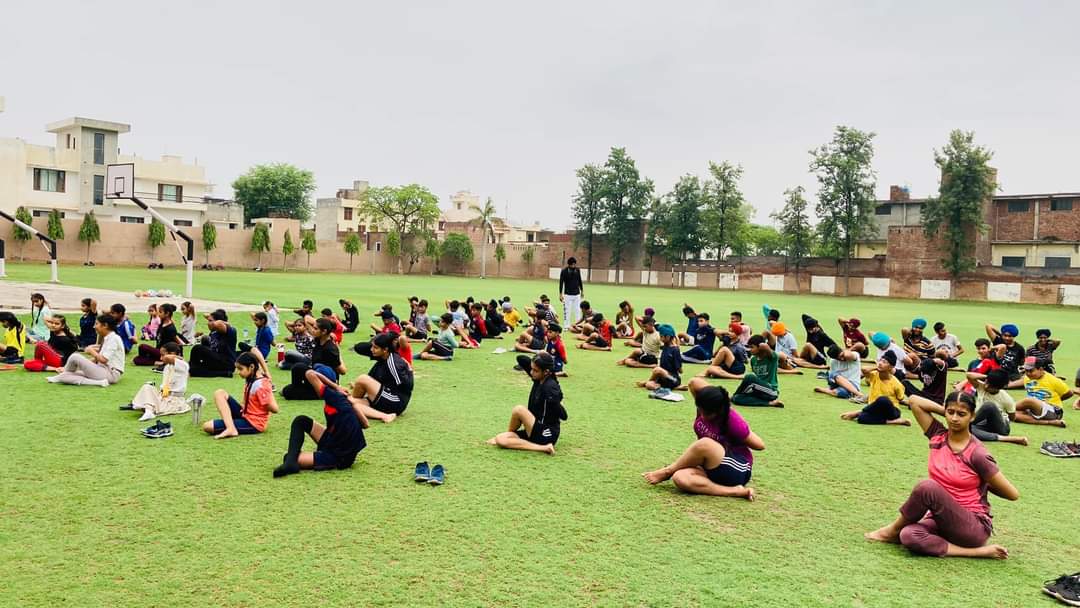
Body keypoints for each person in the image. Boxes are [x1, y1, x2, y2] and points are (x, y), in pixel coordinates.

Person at [865, 391, 1018, 559]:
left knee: (927, 488)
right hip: (941, 519)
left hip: (972, 526)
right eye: (950, 412)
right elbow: (914, 401)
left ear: (972, 416)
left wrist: (983, 482)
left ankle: (891, 531)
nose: (954, 419)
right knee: (908, 535)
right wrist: (947, 410)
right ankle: (977, 552)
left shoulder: (977, 454)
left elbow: (1012, 494)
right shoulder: (937, 436)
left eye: (962, 414)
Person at [642, 379, 760, 500]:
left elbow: (760, 445)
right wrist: (717, 396)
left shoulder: (732, 421)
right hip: (711, 466)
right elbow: (694, 382)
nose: (702, 416)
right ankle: (736, 491)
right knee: (680, 478)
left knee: (704, 444)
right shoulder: (705, 404)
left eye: (707, 414)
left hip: (737, 468)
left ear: (718, 411)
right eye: (700, 410)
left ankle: (667, 472)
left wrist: (740, 429)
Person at [273, 367, 369, 478]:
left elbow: (310, 373)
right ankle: (291, 462)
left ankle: (290, 463)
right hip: (335, 440)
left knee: (289, 457)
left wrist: (335, 386)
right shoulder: (344, 398)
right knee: (301, 421)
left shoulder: (332, 395)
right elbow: (365, 424)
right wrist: (353, 404)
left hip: (340, 456)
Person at [487, 352, 567, 455]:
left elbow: (564, 416)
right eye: (531, 369)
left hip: (546, 433)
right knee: (501, 439)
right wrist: (539, 357)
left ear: (546, 372)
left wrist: (554, 400)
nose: (531, 372)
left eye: (535, 370)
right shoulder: (538, 378)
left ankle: (544, 447)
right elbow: (521, 358)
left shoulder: (549, 387)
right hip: (534, 428)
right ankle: (542, 447)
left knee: (519, 410)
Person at [202, 351, 278, 439]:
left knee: (207, 426)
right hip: (244, 414)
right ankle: (231, 427)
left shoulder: (261, 385)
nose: (238, 372)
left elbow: (275, 409)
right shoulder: (251, 378)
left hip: (253, 423)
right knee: (219, 393)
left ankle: (231, 428)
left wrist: (268, 393)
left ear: (251, 367)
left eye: (241, 369)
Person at [348, 332, 413, 424]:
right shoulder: (382, 359)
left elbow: (408, 386)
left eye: (375, 348)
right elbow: (360, 348)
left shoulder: (393, 362)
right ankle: (385, 416)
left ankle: (384, 415)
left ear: (385, 350)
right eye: (372, 346)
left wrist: (409, 372)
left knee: (362, 379)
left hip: (396, 401)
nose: (371, 350)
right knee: (347, 403)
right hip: (384, 396)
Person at [47, 314, 124, 386]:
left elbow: (103, 360)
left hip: (110, 373)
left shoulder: (114, 338)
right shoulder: (107, 338)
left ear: (105, 325)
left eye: (96, 324)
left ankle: (64, 373)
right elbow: (96, 360)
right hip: (101, 370)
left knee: (75, 356)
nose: (94, 327)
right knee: (66, 377)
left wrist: (91, 350)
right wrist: (83, 363)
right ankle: (99, 382)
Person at [124, 342, 191, 422]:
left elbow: (167, 358)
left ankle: (148, 410)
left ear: (172, 354)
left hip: (174, 400)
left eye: (163, 355)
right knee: (147, 386)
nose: (161, 358)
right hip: (163, 396)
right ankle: (148, 410)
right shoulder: (167, 366)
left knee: (147, 401)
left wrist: (179, 357)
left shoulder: (183, 364)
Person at [960, 369, 1028, 446]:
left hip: (1001, 427)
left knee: (989, 406)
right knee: (967, 430)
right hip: (983, 424)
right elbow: (969, 375)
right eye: (986, 382)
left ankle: (967, 423)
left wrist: (997, 416)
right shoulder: (981, 387)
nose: (986, 386)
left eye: (990, 386)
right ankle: (1006, 439)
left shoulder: (1007, 398)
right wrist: (990, 377)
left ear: (999, 388)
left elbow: (1012, 418)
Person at [282, 318, 345, 400]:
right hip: (315, 377)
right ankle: (296, 388)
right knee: (298, 367)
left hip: (326, 383)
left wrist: (338, 352)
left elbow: (342, 371)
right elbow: (307, 319)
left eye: (315, 329)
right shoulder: (318, 341)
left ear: (324, 331)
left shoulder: (330, 349)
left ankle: (321, 393)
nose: (312, 330)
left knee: (288, 391)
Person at [840, 351, 909, 426]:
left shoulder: (896, 384)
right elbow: (863, 369)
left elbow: (900, 398)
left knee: (883, 399)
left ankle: (858, 412)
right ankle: (895, 422)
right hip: (874, 409)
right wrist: (877, 367)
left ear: (891, 367)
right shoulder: (874, 375)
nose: (880, 363)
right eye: (880, 361)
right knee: (861, 418)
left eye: (884, 362)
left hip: (892, 412)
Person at [1013, 357, 1071, 427]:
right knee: (1012, 415)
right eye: (1026, 371)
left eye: (1031, 371)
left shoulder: (1053, 380)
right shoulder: (1027, 378)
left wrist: (1055, 401)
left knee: (1029, 401)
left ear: (1040, 369)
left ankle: (1004, 408)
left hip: (1054, 410)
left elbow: (1069, 393)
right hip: (1035, 409)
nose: (1028, 373)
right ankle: (1050, 422)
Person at [731, 335, 783, 407]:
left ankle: (734, 395)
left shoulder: (771, 358)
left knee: (749, 377)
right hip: (758, 389)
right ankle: (769, 403)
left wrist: (762, 345)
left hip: (771, 391)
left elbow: (765, 346)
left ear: (760, 347)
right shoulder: (753, 360)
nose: (750, 349)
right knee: (737, 398)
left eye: (752, 347)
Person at [189, 309, 238, 378]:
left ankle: (193, 368)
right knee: (194, 370)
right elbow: (205, 315)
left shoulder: (230, 331)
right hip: (216, 361)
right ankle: (225, 374)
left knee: (197, 348)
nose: (208, 323)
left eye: (210, 321)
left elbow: (217, 324)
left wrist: (223, 322)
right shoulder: (213, 332)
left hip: (227, 363)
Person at [636, 324, 681, 392]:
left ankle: (673, 386)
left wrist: (665, 371)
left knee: (657, 370)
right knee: (649, 385)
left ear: (668, 337)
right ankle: (670, 387)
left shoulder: (675, 350)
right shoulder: (665, 347)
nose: (660, 338)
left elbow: (680, 370)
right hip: (663, 378)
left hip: (673, 379)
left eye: (661, 336)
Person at [559, 257, 584, 327]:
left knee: (577, 310)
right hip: (567, 294)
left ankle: (578, 325)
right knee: (567, 310)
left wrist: (582, 291)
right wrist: (560, 294)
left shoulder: (577, 270)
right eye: (572, 264)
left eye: (574, 264)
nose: (574, 266)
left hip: (577, 294)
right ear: (569, 264)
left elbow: (580, 280)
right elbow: (561, 283)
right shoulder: (564, 271)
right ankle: (566, 325)